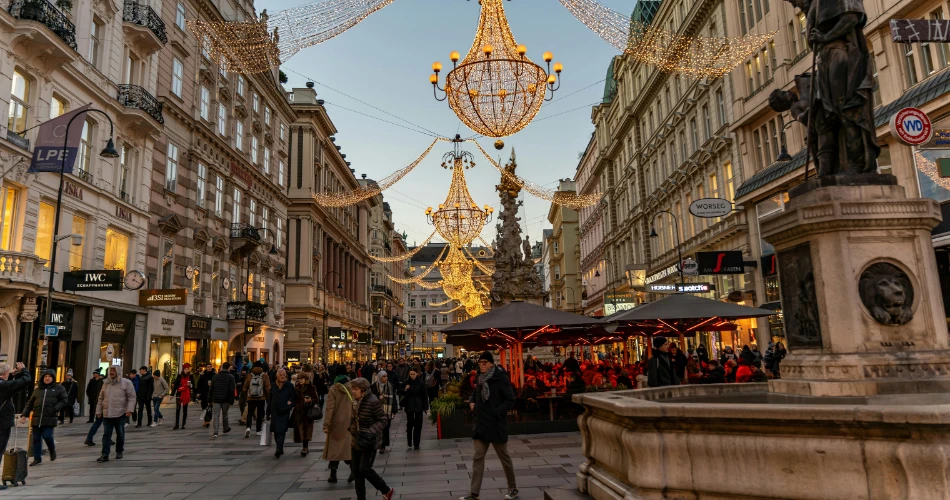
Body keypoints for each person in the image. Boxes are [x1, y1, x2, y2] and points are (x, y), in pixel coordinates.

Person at [461, 351, 518, 500]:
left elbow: (510, 399)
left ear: (491, 364)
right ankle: (474, 493)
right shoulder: (480, 378)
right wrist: (472, 401)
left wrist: (497, 412)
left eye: (484, 362)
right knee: (478, 457)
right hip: (481, 423)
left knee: (504, 456)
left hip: (496, 424)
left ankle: (513, 488)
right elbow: (475, 392)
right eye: (480, 363)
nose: (482, 365)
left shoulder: (500, 378)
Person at [348, 377, 395, 500]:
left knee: (364, 469)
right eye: (352, 389)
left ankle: (386, 489)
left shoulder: (373, 401)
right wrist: (351, 427)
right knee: (356, 471)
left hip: (368, 441)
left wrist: (370, 432)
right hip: (356, 439)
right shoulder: (354, 401)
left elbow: (383, 420)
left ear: (363, 390)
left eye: (356, 389)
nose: (353, 391)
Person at [20, 369, 67, 466]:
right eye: (45, 376)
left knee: (47, 436)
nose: (47, 378)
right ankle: (37, 458)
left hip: (49, 417)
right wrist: (24, 415)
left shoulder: (59, 388)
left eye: (49, 376)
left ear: (53, 378)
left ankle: (52, 450)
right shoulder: (37, 390)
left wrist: (56, 408)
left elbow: (64, 400)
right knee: (36, 439)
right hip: (37, 417)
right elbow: (30, 403)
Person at [94, 366, 136, 462]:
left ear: (118, 372)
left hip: (120, 413)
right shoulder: (106, 383)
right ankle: (105, 454)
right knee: (106, 434)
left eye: (114, 370)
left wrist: (129, 409)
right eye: (110, 370)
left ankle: (119, 451)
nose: (112, 372)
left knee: (120, 433)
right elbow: (101, 398)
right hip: (107, 413)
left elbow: (132, 397)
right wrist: (98, 411)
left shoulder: (126, 382)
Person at [0, 362, 31, 475]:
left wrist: (11, 375)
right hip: (2, 422)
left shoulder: (4, 384)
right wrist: (24, 370)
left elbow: (7, 385)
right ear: (5, 373)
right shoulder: (4, 386)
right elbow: (25, 380)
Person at [324, 373, 353, 482]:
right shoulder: (352, 387)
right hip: (349, 421)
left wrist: (326, 424)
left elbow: (330, 407)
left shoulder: (334, 389)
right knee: (346, 448)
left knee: (334, 448)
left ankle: (333, 475)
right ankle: (353, 470)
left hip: (336, 422)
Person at [269, 368, 295, 458]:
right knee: (276, 431)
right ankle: (279, 447)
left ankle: (278, 449)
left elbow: (294, 398)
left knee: (281, 431)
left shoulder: (289, 385)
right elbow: (270, 399)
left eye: (284, 375)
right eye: (281, 375)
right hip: (274, 411)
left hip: (284, 411)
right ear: (277, 376)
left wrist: (289, 405)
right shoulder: (273, 386)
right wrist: (267, 412)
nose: (283, 376)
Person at [370, 370, 397, 454]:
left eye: (386, 376)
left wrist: (394, 410)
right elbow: (370, 397)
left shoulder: (390, 386)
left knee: (386, 428)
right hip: (377, 411)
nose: (386, 378)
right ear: (379, 377)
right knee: (378, 428)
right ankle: (378, 445)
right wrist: (378, 397)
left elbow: (394, 399)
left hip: (387, 411)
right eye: (384, 376)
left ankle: (383, 445)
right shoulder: (374, 386)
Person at [292, 371, 318, 456]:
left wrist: (310, 400)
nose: (299, 380)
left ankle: (305, 447)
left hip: (308, 412)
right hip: (299, 411)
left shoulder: (312, 388)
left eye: (301, 379)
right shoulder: (296, 388)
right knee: (299, 429)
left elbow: (316, 399)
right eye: (298, 379)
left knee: (307, 430)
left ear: (306, 379)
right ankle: (304, 446)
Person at [402, 367, 428, 451]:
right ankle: (409, 440)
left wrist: (425, 407)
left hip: (418, 405)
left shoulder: (421, 382)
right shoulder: (406, 382)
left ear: (417, 374)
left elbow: (425, 395)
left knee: (418, 425)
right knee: (410, 424)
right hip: (409, 405)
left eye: (413, 374)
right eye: (410, 374)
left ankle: (416, 443)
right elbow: (400, 392)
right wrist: (405, 389)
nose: (412, 376)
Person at [243, 361, 271, 438]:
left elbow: (245, 387)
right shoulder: (264, 376)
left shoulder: (249, 375)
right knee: (259, 414)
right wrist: (268, 398)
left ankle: (248, 427)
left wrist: (246, 396)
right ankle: (258, 430)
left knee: (250, 413)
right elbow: (267, 388)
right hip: (261, 398)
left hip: (251, 398)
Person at [209, 362, 235, 438]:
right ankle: (225, 428)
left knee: (216, 415)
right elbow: (232, 390)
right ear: (229, 368)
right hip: (225, 399)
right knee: (225, 414)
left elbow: (211, 389)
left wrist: (209, 400)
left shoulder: (215, 376)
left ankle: (215, 432)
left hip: (215, 399)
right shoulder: (231, 377)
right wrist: (231, 400)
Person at [171, 363, 195, 430]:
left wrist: (190, 385)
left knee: (185, 409)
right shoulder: (179, 376)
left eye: (187, 369)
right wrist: (172, 394)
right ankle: (177, 424)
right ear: (183, 369)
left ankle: (183, 424)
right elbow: (176, 385)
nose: (186, 370)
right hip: (179, 393)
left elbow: (193, 385)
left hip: (186, 394)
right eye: (185, 369)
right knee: (178, 409)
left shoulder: (190, 376)